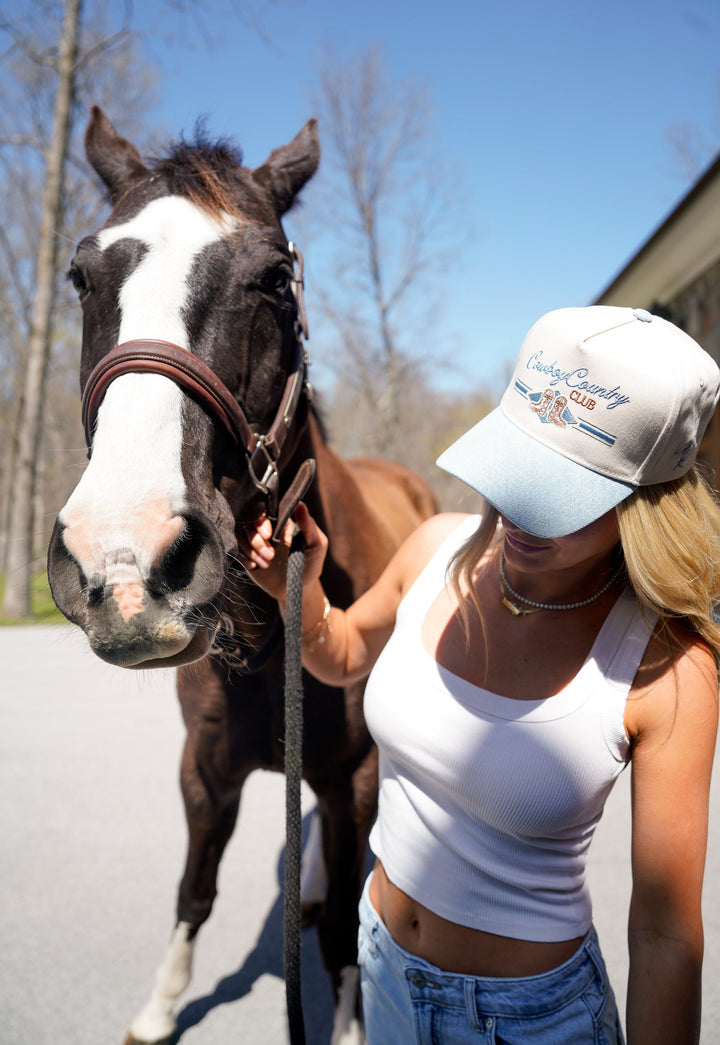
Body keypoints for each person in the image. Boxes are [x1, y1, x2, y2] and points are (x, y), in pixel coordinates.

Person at [240, 305, 720, 1045]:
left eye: (562, 493)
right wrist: (293, 592)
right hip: (382, 966)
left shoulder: (670, 667)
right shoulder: (436, 547)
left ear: (646, 504)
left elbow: (664, 934)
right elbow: (338, 654)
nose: (519, 514)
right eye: (515, 466)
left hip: (530, 1022)